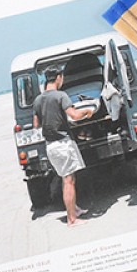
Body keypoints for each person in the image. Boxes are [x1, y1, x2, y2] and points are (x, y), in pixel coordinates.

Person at [32, 64, 95, 225]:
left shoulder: (38, 100)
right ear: (59, 77)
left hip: (50, 146)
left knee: (64, 178)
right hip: (63, 144)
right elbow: (74, 115)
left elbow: (36, 124)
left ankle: (74, 209)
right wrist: (88, 112)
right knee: (69, 180)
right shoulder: (61, 96)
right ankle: (72, 219)